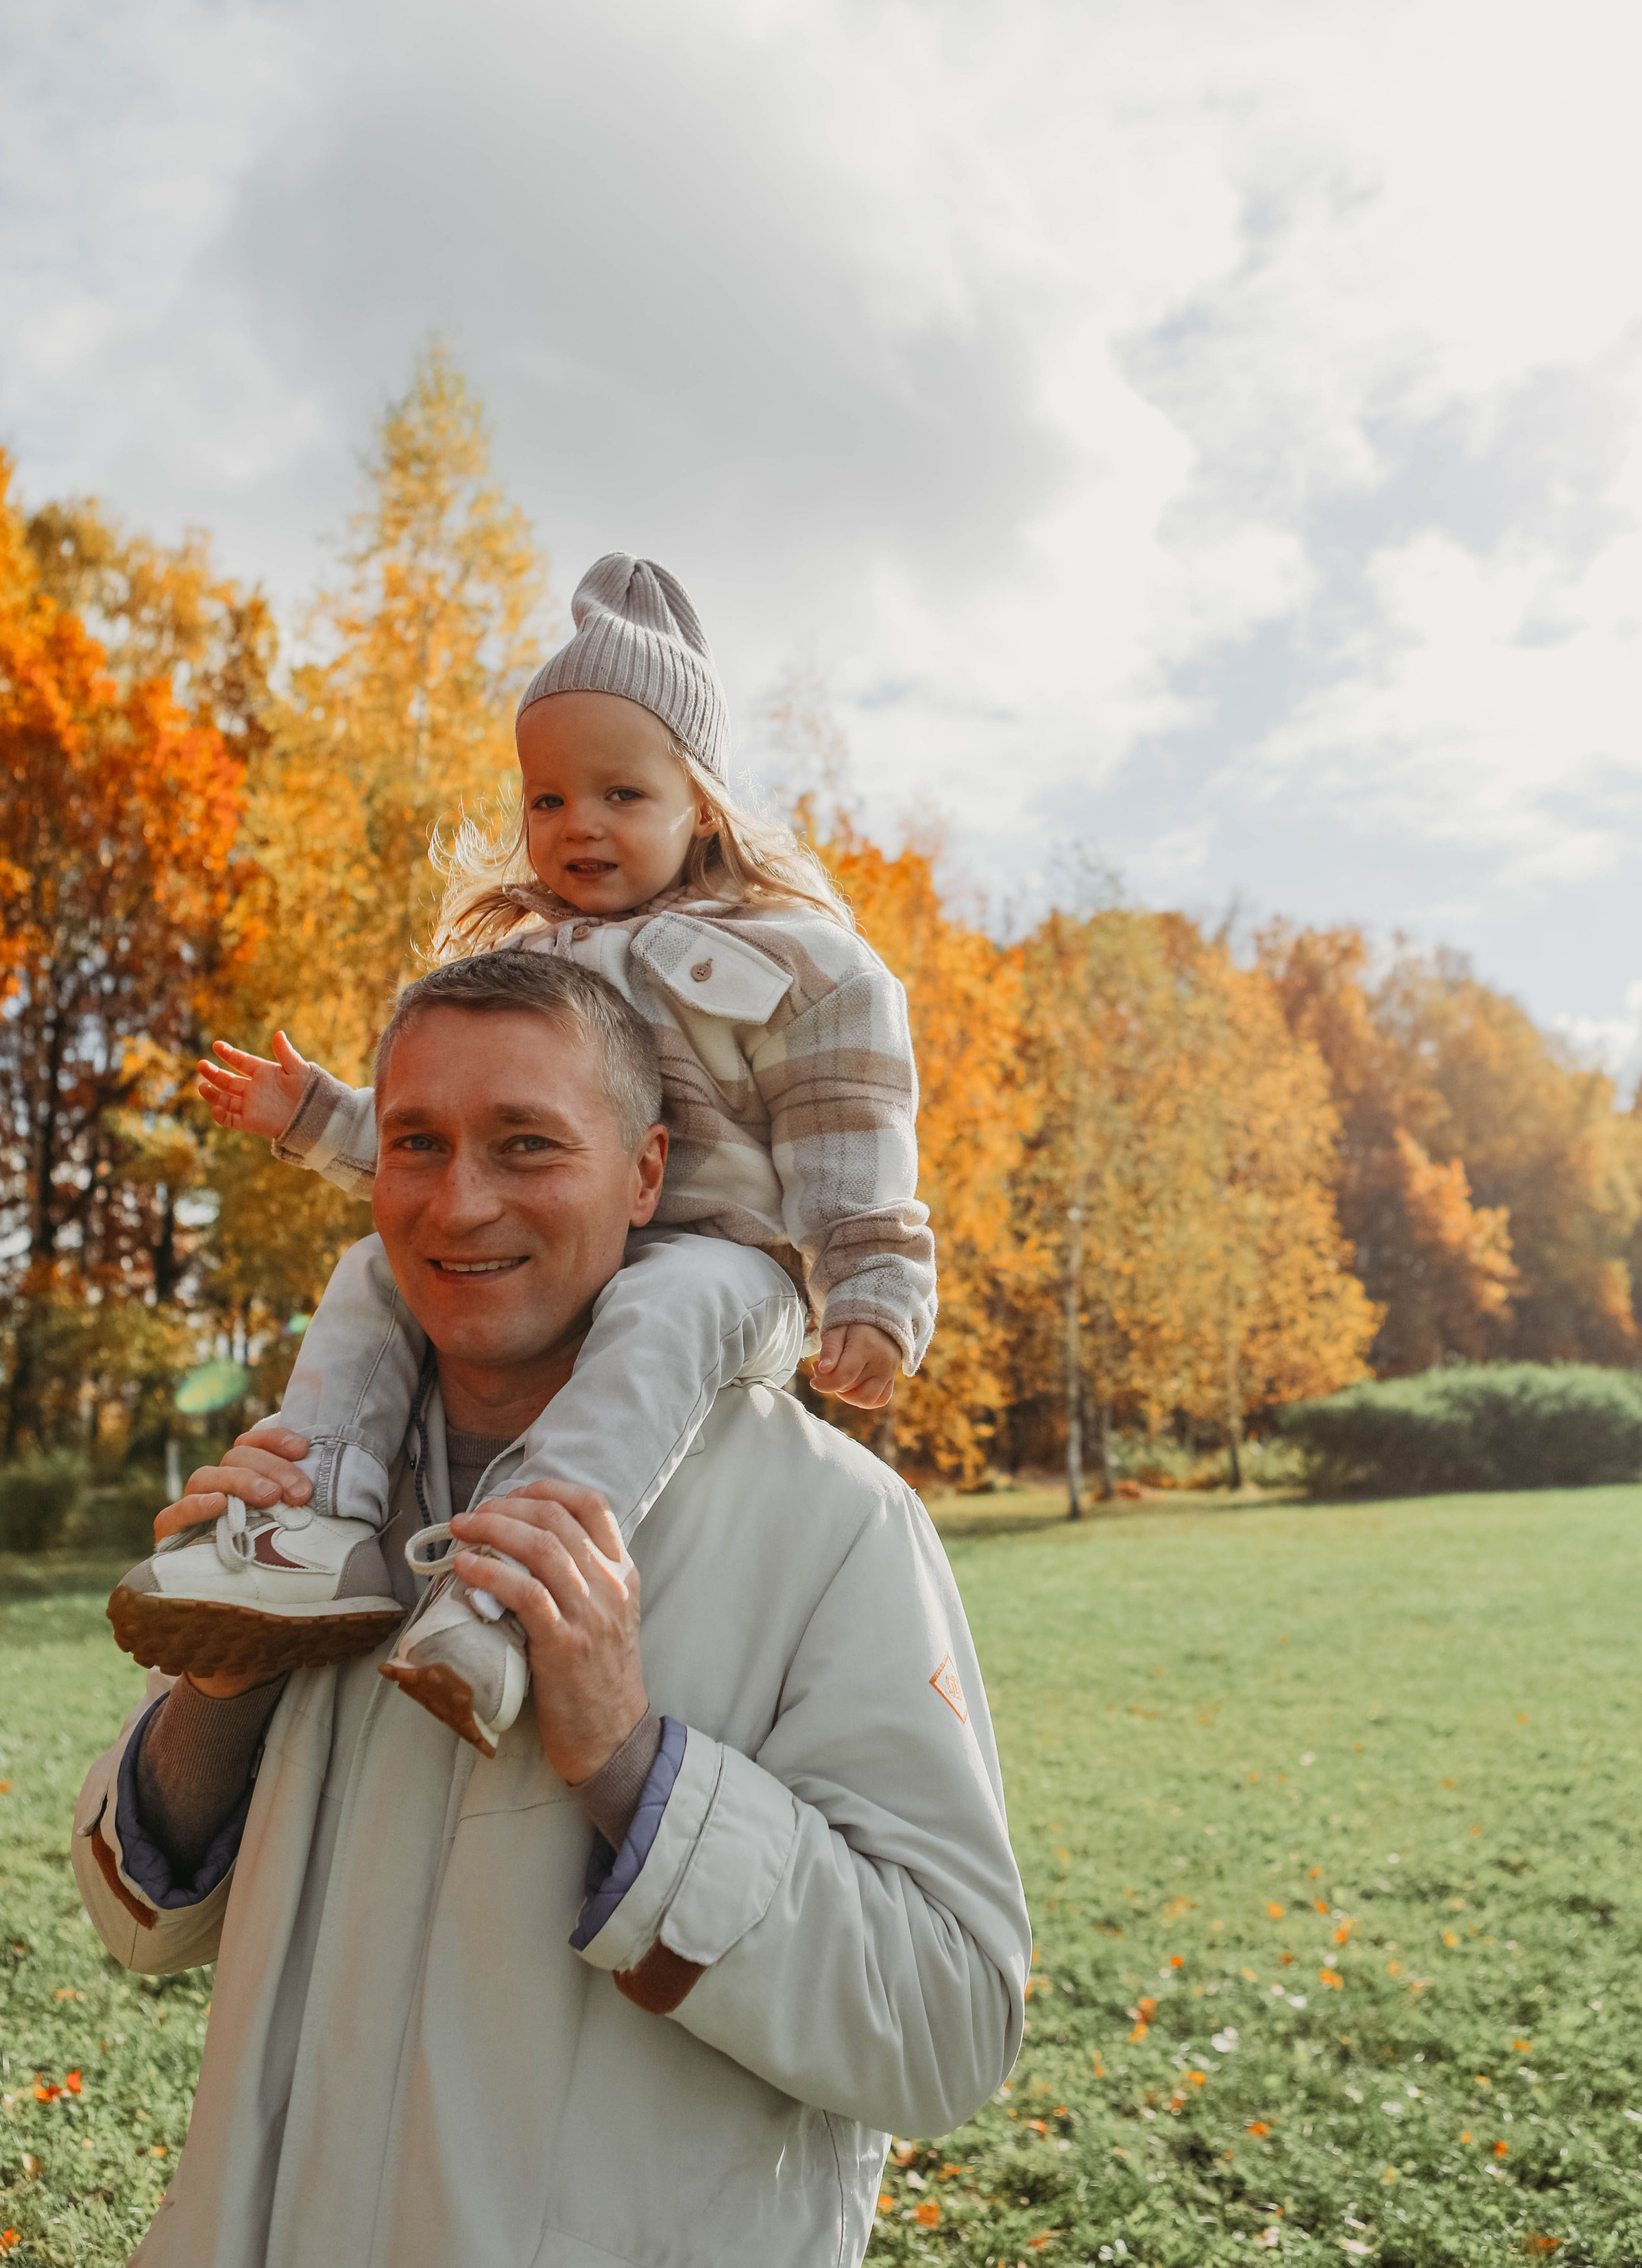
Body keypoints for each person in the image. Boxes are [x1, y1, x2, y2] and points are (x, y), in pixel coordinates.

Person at [75, 949, 1028, 2268]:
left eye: (527, 1144)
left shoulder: (834, 1524)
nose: (459, 1203)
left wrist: (627, 1763)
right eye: (416, 1142)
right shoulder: (310, 1499)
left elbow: (946, 2029)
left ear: (646, 1174)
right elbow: (134, 1919)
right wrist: (221, 1685)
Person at [110, 555, 935, 1756]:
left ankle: (511, 1584)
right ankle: (311, 1526)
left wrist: (870, 1287)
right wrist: (317, 1116)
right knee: (372, 1270)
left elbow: (849, 1131)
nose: (577, 824)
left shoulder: (794, 960)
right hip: (572, 1265)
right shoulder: (518, 970)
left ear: (702, 803)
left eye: (620, 793)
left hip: (724, 1270)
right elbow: (453, 1159)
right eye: (547, 800)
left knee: (667, 1305)